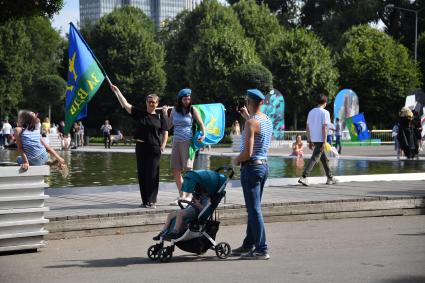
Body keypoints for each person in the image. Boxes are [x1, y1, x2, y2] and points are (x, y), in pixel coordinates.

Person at [111, 85, 168, 208]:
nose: (151, 104)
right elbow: (126, 104)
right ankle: (145, 201)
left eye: (154, 102)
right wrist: (117, 91)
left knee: (152, 175)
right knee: (142, 174)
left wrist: (163, 145)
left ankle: (152, 201)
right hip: (141, 147)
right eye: (149, 102)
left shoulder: (160, 116)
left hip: (154, 148)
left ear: (157, 103)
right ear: (146, 103)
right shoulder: (141, 114)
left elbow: (165, 131)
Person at [232, 89, 272, 260]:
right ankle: (249, 244)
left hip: (251, 167)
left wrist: (236, 160)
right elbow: (256, 129)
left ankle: (262, 249)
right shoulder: (266, 120)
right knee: (253, 208)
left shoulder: (251, 123)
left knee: (254, 209)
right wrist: (247, 117)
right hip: (263, 167)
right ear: (261, 102)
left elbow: (247, 153)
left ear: (248, 101)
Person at [162, 88, 206, 205]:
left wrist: (203, 134)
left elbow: (201, 124)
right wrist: (165, 114)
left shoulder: (192, 109)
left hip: (188, 141)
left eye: (188, 99)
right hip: (176, 141)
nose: (187, 101)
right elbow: (169, 125)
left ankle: (189, 196)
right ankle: (182, 195)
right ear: (180, 99)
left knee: (188, 169)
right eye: (185, 99)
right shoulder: (175, 110)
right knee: (175, 169)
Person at [298, 94, 337, 187]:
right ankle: (304, 176)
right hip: (321, 139)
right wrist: (324, 141)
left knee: (324, 159)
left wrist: (309, 140)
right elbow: (324, 128)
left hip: (314, 138)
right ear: (325, 103)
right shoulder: (325, 113)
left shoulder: (311, 112)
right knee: (315, 158)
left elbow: (307, 127)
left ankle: (330, 177)